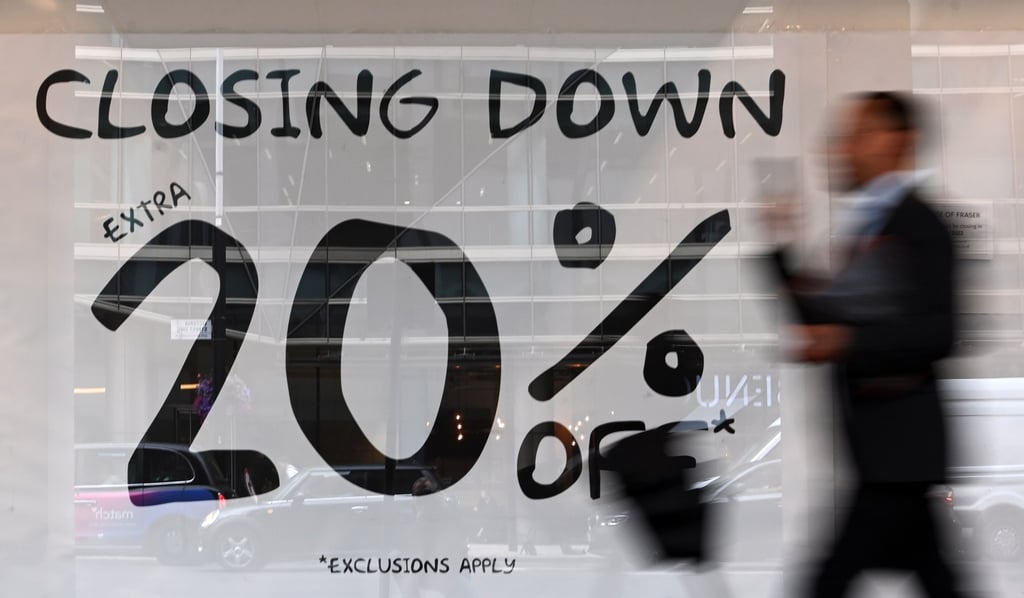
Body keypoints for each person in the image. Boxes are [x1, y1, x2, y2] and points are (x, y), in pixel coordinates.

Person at [766, 92, 967, 598]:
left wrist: (848, 341)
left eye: (859, 134)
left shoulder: (922, 228)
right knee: (935, 577)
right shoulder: (869, 229)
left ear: (901, 142)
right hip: (884, 455)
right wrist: (781, 251)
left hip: (898, 455)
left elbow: (939, 333)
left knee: (826, 582)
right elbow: (826, 324)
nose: (843, 148)